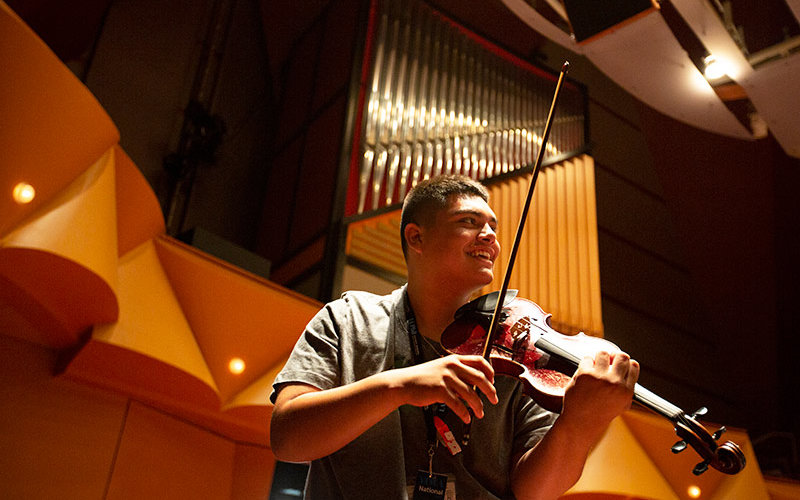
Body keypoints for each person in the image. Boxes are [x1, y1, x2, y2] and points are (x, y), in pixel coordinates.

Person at [270, 175, 639, 499]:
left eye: (493, 225)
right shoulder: (348, 318)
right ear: (416, 237)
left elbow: (534, 490)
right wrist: (400, 386)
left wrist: (579, 424)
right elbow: (288, 438)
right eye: (469, 221)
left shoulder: (515, 352)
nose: (491, 235)